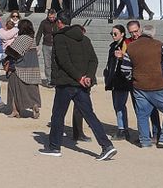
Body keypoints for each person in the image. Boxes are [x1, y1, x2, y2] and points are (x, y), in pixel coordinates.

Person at [38, 21, 117, 160]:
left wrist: (80, 77)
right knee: (89, 115)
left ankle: (54, 146)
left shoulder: (60, 38)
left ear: (59, 22)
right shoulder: (85, 39)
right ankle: (106, 145)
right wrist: (88, 77)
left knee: (58, 115)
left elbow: (63, 61)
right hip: (81, 84)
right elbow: (94, 60)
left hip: (66, 83)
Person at [126, 20, 163, 148]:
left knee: (142, 114)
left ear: (141, 31)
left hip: (139, 85)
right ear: (153, 34)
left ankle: (145, 141)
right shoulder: (158, 45)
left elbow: (125, 69)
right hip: (158, 84)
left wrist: (133, 79)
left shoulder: (131, 47)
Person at [4, 18, 43, 119]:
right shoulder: (32, 39)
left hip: (20, 68)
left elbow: (14, 52)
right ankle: (34, 104)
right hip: (32, 68)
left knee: (13, 88)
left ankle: (15, 110)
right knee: (32, 89)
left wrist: (7, 49)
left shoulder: (22, 38)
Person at [104, 24, 135, 141]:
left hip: (122, 78)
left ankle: (123, 129)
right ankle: (122, 128)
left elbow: (129, 60)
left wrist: (122, 57)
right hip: (114, 79)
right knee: (116, 105)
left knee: (120, 104)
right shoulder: (113, 46)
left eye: (115, 33)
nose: (113, 35)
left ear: (122, 34)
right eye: (112, 33)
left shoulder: (126, 45)